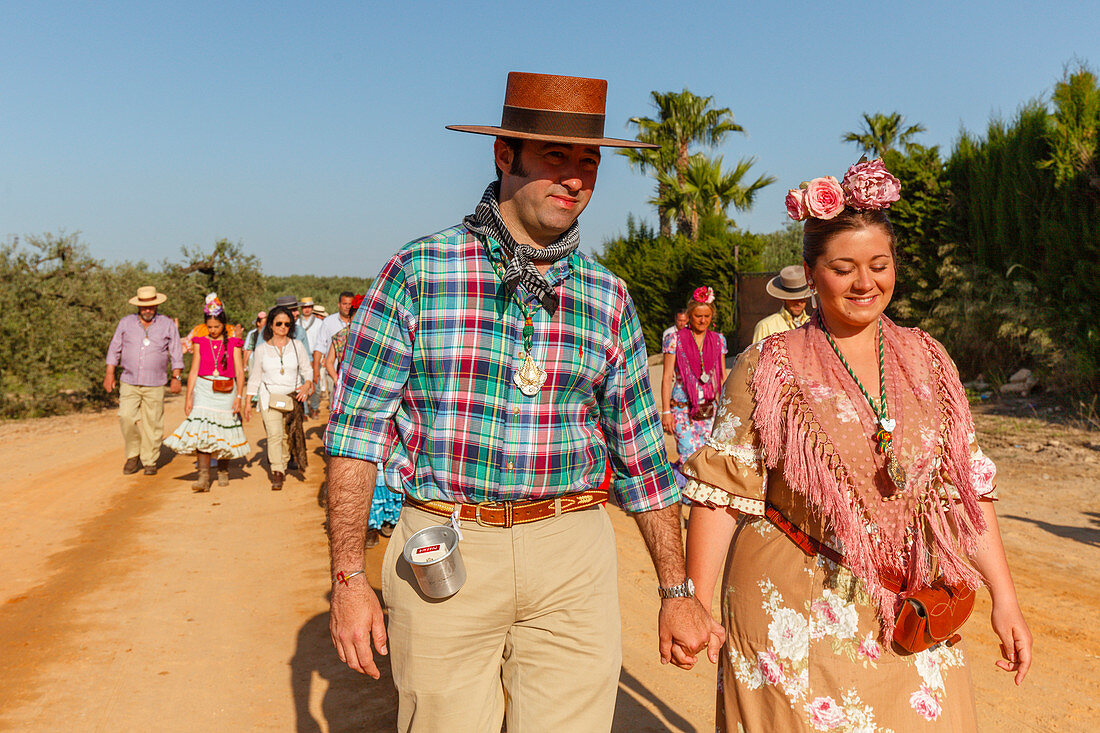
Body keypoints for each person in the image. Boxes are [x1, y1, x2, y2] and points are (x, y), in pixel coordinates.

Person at [323, 71, 723, 731]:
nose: (574, 178)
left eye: (587, 163)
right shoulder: (419, 272)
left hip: (572, 554)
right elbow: (356, 434)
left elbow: (644, 458)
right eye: (554, 158)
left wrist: (677, 591)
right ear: (504, 156)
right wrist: (347, 578)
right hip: (442, 545)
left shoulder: (608, 298)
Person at [682, 160, 1032, 731]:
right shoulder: (768, 366)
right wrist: (693, 599)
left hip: (906, 606)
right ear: (811, 272)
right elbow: (720, 492)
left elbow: (967, 491)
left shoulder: (929, 361)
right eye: (843, 267)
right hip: (793, 616)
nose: (865, 283)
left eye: (879, 265)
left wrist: (1006, 600)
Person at [324, 294, 401, 547]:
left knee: (383, 463)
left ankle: (388, 519)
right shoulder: (340, 338)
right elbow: (329, 363)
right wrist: (339, 382)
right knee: (359, 462)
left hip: (383, 405)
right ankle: (366, 527)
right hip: (354, 405)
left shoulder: (385, 335)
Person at [164, 294, 249, 491]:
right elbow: (193, 370)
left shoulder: (233, 342)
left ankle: (223, 469)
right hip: (204, 387)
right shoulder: (199, 342)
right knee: (202, 430)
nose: (212, 330)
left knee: (223, 429)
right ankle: (203, 477)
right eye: (209, 327)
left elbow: (239, 372)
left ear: (223, 325)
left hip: (227, 389)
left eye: (216, 327)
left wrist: (239, 397)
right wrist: (188, 397)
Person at [104, 285, 184, 476]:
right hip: (129, 380)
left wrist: (177, 377)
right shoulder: (126, 323)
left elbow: (176, 352)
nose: (148, 310)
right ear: (138, 306)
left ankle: (149, 460)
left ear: (156, 306)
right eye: (144, 306)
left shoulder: (167, 324)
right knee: (126, 417)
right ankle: (133, 454)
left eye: (151, 306)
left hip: (155, 382)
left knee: (153, 422)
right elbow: (115, 348)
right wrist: (109, 373)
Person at [243, 305, 313, 490]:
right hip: (268, 397)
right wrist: (248, 401)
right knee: (274, 434)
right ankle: (277, 471)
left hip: (292, 398)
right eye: (279, 323)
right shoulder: (261, 350)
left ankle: (283, 461)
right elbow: (255, 376)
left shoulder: (297, 346)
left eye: (287, 324)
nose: (283, 327)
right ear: (271, 326)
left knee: (285, 436)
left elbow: (307, 370)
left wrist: (306, 385)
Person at [660, 287, 727, 476]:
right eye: (698, 315)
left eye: (707, 316)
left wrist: (726, 410)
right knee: (688, 458)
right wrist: (666, 412)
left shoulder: (719, 340)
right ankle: (687, 499)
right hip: (682, 410)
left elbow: (722, 377)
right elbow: (667, 377)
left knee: (707, 458)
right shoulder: (674, 340)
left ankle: (698, 501)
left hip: (710, 410)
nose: (703, 320)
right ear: (690, 315)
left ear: (712, 315)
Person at [311, 291, 354, 408]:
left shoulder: (360, 323)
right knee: (334, 403)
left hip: (354, 376)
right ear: (339, 304)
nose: (347, 306)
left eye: (350, 304)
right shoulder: (328, 322)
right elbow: (320, 346)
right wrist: (316, 369)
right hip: (333, 371)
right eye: (345, 303)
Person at [751, 264, 812, 342]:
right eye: (794, 299)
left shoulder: (814, 325)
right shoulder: (765, 327)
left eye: (802, 298)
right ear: (783, 298)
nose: (799, 303)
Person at [298, 296, 325, 418]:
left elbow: (324, 341)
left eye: (309, 307)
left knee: (316, 385)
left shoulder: (319, 323)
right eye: (304, 307)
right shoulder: (296, 323)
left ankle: (314, 408)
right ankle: (304, 411)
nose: (307, 309)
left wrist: (323, 356)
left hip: (315, 358)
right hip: (300, 357)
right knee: (301, 385)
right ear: (301, 308)